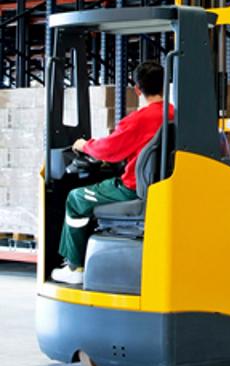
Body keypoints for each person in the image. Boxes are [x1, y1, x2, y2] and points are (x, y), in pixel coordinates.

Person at [51, 61, 174, 285]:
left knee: (76, 199)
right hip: (160, 186)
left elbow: (109, 150)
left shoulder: (139, 119)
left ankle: (74, 266)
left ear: (137, 89)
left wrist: (84, 145)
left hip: (132, 189)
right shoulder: (174, 114)